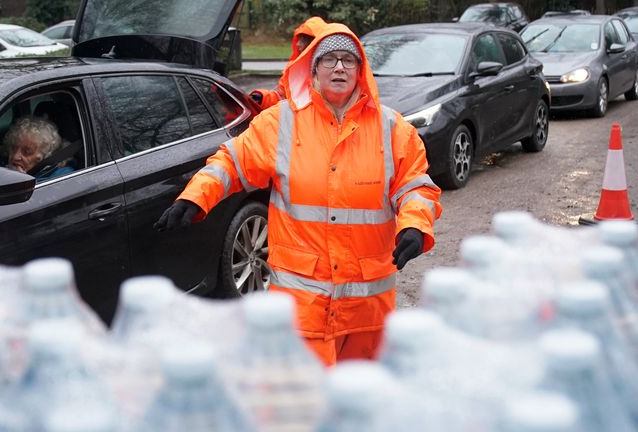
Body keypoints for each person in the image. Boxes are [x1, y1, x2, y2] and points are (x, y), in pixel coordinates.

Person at [154, 23, 442, 366]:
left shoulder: (392, 129)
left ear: (361, 70)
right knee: (305, 405)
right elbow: (231, 162)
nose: (339, 67)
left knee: (360, 406)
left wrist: (414, 224)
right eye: (330, 59)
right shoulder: (281, 123)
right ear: (314, 69)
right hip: (302, 311)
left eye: (348, 60)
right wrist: (196, 196)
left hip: (367, 314)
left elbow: (415, 185)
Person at [248, 16, 327, 110]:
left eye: (303, 40)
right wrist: (262, 98)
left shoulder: (331, 71)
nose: (298, 44)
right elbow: (281, 96)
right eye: (299, 39)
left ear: (314, 44)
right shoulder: (293, 71)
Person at [4, 115, 75, 180]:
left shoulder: (62, 177)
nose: (15, 157)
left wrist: (20, 181)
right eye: (13, 148)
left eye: (26, 152)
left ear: (45, 156)